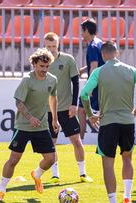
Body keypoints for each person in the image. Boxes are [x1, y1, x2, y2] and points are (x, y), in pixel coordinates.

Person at [80, 41, 136, 203]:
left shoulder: (99, 71)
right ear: (117, 53)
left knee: (108, 164)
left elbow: (84, 94)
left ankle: (113, 201)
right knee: (127, 158)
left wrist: (90, 114)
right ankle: (127, 196)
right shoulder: (130, 70)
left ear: (102, 55)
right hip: (128, 122)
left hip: (108, 123)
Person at [0, 48, 58, 201]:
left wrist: (54, 119)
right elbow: (18, 102)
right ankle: (2, 190)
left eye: (47, 66)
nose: (44, 69)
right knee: (14, 160)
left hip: (41, 126)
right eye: (41, 66)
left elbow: (53, 98)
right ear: (34, 64)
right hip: (23, 126)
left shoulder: (52, 80)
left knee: (50, 159)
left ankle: (36, 174)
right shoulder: (27, 80)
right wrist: (30, 118)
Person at [44, 32, 93, 184]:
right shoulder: (40, 61)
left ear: (58, 45)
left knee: (76, 141)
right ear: (44, 45)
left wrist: (74, 104)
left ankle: (83, 173)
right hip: (48, 110)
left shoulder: (67, 59)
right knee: (51, 143)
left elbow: (76, 82)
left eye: (53, 46)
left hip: (66, 108)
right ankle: (55, 175)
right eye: (48, 46)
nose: (51, 49)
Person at [78, 18, 105, 140]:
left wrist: (89, 88)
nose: (81, 34)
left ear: (87, 30)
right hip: (103, 83)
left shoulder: (93, 46)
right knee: (83, 109)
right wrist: (83, 70)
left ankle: (80, 140)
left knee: (82, 110)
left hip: (96, 85)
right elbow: (97, 63)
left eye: (82, 31)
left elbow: (94, 67)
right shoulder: (99, 43)